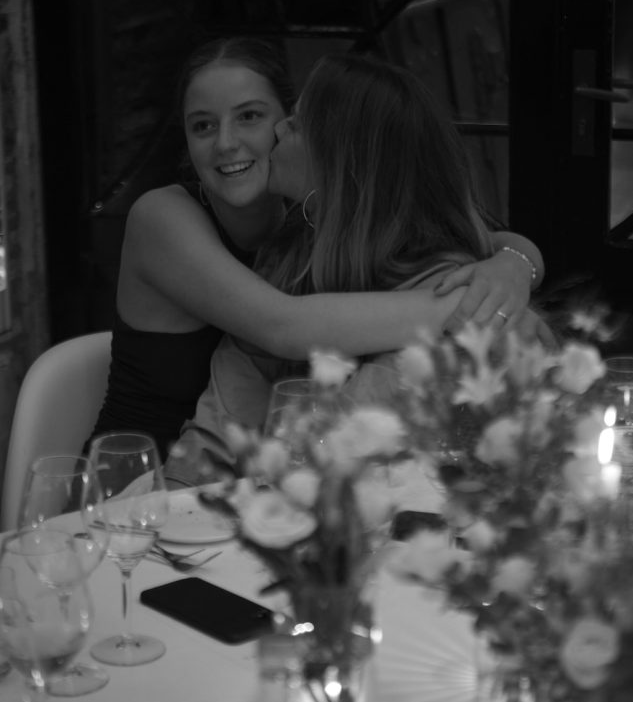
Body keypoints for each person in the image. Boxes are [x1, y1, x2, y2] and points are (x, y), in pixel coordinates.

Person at [91, 38, 545, 460]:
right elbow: (283, 326)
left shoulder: (308, 219)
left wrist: (514, 262)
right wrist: (472, 310)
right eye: (202, 125)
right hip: (136, 471)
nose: (225, 143)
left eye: (250, 116)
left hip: (234, 478)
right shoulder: (163, 217)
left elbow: (465, 233)